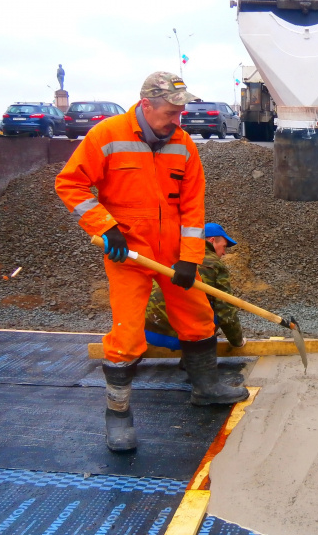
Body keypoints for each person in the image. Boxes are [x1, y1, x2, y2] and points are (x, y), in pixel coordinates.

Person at [55, 71, 248, 453]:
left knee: (197, 318)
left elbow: (193, 207)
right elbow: (70, 184)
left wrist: (190, 259)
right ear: (146, 105)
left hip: (172, 253)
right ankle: (118, 414)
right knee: (127, 336)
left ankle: (206, 388)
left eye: (180, 112)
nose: (177, 121)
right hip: (127, 252)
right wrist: (106, 226)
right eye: (170, 113)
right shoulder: (107, 136)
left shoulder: (184, 145)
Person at [145, 222, 245, 350]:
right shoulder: (214, 263)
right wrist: (237, 342)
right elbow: (225, 311)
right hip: (183, 338)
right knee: (215, 306)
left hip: (148, 332)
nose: (224, 253)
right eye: (224, 246)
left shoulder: (171, 253)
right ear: (212, 240)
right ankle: (193, 359)